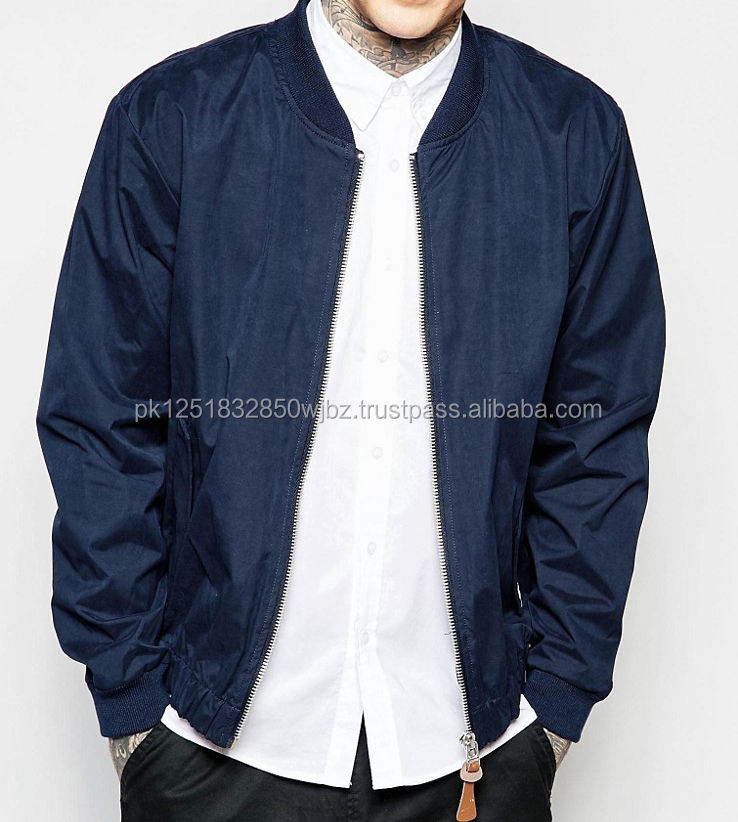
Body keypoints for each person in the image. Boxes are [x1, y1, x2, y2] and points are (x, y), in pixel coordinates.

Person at [37, 0, 665, 819]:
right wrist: (133, 710)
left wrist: (555, 706)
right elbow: (101, 420)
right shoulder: (173, 117)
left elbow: (597, 441)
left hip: (476, 755)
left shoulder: (574, 134)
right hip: (208, 751)